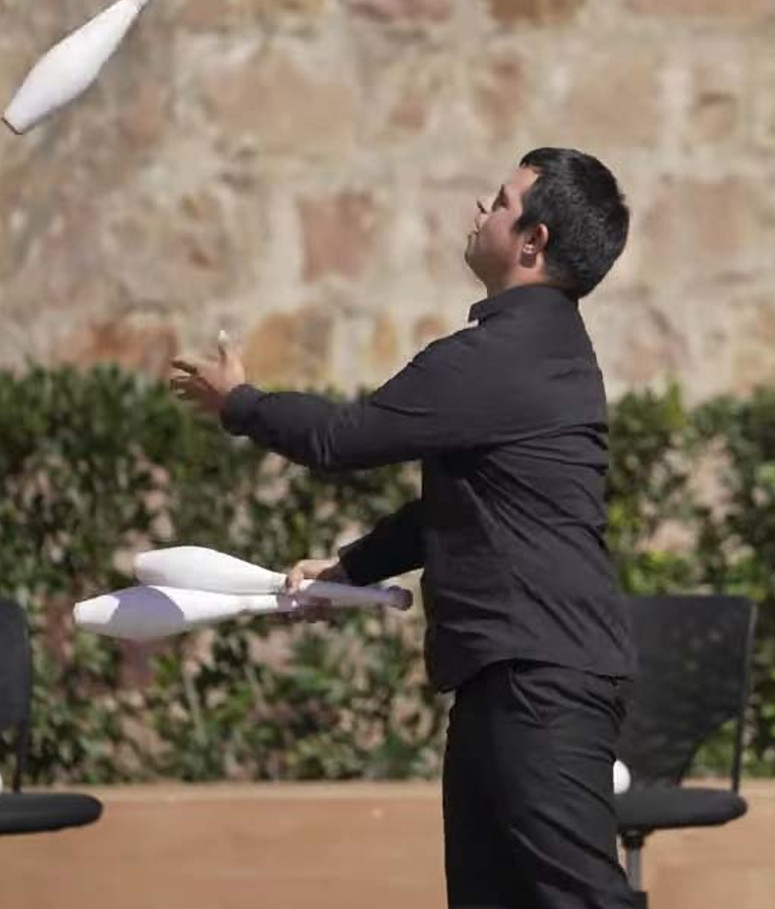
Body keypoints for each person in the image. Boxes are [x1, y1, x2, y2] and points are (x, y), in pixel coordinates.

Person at [168, 147, 639, 909]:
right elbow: (458, 508)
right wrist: (350, 568)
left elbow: (342, 438)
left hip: (542, 680)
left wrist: (242, 404)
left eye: (499, 200)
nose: (480, 210)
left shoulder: (503, 355)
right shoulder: (537, 351)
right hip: (508, 674)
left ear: (533, 240)